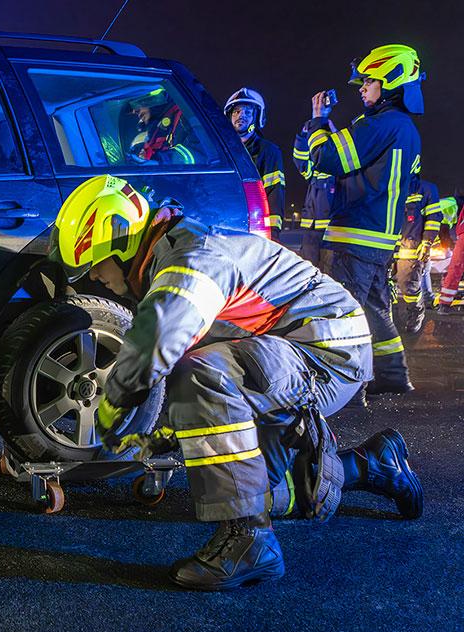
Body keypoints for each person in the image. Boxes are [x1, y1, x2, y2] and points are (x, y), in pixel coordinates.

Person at [51, 175, 423, 591]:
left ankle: (249, 541)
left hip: (326, 352)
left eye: (96, 266)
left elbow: (159, 337)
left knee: (200, 373)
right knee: (266, 492)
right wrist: (170, 431)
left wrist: (112, 404)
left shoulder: (191, 259)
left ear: (119, 242)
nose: (95, 278)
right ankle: (374, 463)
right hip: (292, 349)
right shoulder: (175, 253)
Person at [295, 44, 424, 396]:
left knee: (341, 317)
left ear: (391, 82)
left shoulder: (380, 124)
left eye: (369, 82)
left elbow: (327, 158)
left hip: (355, 235)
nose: (363, 89)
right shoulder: (405, 128)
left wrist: (318, 121)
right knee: (374, 309)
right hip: (378, 238)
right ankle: (392, 376)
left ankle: (344, 393)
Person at [224, 88, 286, 241]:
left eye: (247, 112)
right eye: (236, 112)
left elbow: (274, 193)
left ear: (257, 117)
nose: (241, 116)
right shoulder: (221, 151)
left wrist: (272, 235)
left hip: (253, 228)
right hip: (224, 226)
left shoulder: (269, 151)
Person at [394, 174, 442, 333]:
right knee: (384, 286)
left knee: (409, 285)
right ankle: (388, 319)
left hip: (412, 246)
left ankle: (416, 312)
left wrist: (427, 242)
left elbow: (433, 218)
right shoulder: (392, 186)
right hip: (390, 246)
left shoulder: (426, 189)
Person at [293, 120, 336, 268]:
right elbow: (300, 161)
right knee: (309, 271)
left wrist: (336, 133)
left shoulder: (340, 170)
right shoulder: (315, 171)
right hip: (310, 231)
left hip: (330, 233)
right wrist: (302, 137)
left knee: (329, 272)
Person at [436, 196, 464, 315]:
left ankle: (444, 304)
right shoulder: (449, 206)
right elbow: (444, 229)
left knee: (455, 267)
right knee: (456, 267)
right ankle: (444, 303)